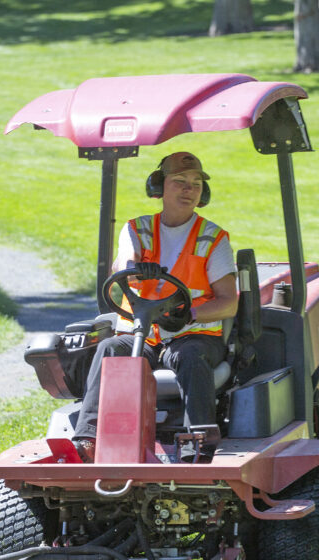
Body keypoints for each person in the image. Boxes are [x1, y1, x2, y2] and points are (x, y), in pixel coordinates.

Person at [72, 152, 238, 463]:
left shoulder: (213, 239)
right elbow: (126, 262)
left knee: (188, 356)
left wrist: (190, 314)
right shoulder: (137, 230)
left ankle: (197, 444)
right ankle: (88, 439)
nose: (189, 189)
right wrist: (134, 268)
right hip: (143, 335)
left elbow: (229, 303)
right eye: (180, 182)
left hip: (194, 336)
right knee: (109, 348)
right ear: (159, 187)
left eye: (196, 184)